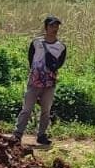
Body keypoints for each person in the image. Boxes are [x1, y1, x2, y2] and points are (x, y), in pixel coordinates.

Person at [12, 16, 67, 146]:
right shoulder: (36, 43)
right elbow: (30, 59)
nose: (55, 29)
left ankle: (41, 135)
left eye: (56, 26)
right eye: (52, 26)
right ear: (46, 27)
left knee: (46, 110)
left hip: (49, 83)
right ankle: (17, 134)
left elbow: (59, 64)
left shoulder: (61, 47)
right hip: (34, 81)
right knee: (27, 108)